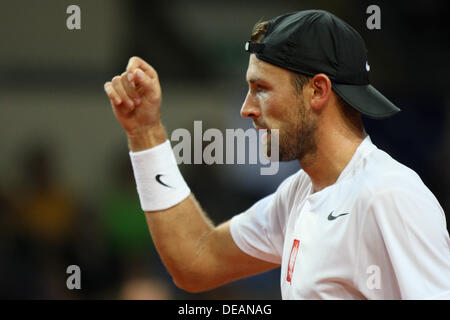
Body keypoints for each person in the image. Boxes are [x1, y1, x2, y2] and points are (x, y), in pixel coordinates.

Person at [104, 10, 450, 299]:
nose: (246, 109)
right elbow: (197, 260)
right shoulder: (297, 194)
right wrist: (145, 132)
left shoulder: (389, 196)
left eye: (261, 89)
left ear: (317, 91)